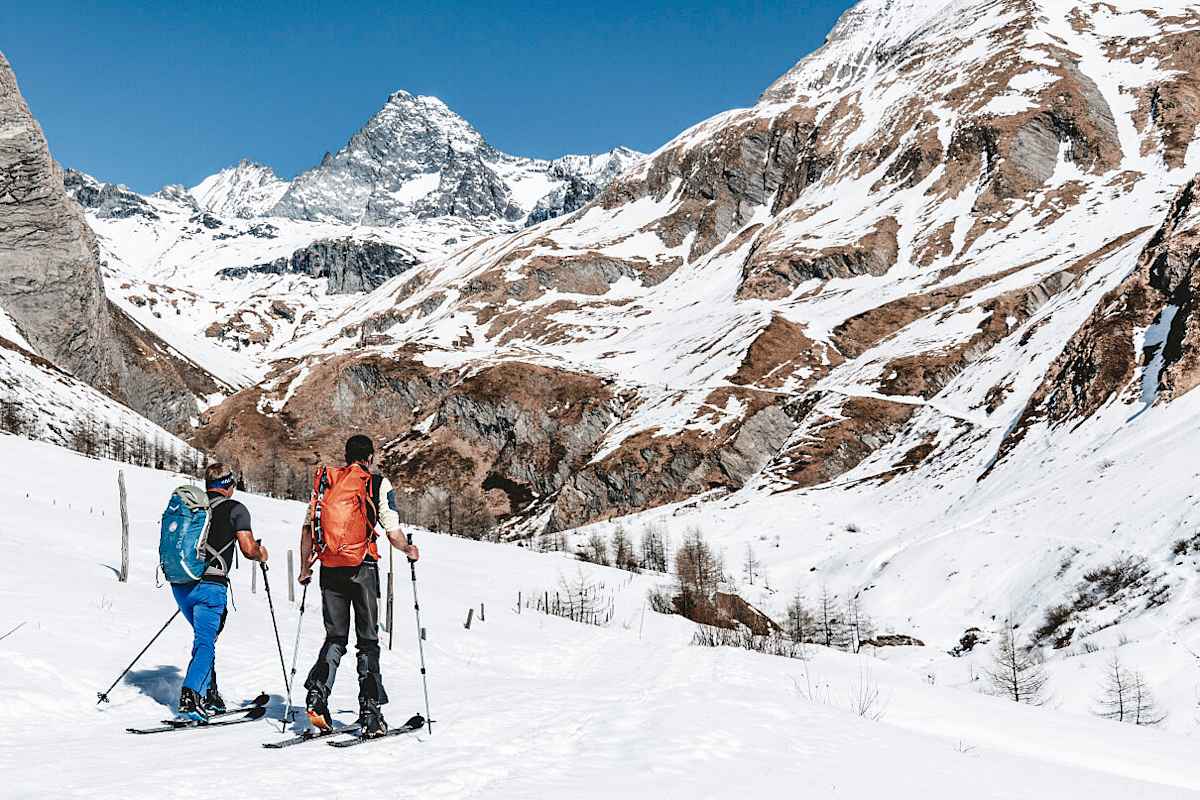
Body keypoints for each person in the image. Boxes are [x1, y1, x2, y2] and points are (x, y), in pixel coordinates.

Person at [299, 435, 419, 737]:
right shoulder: (376, 483)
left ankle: (317, 695)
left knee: (335, 637)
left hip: (329, 568)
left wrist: (304, 567)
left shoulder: (327, 482)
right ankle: (370, 711)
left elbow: (308, 527)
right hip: (362, 568)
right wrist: (408, 549)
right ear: (370, 457)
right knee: (367, 641)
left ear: (346, 455)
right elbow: (392, 532)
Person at [175, 463, 269, 721]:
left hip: (182, 585)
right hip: (210, 587)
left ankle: (210, 694)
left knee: (206, 639)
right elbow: (249, 549)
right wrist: (262, 553)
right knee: (205, 642)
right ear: (229, 485)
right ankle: (191, 696)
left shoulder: (193, 508)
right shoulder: (235, 509)